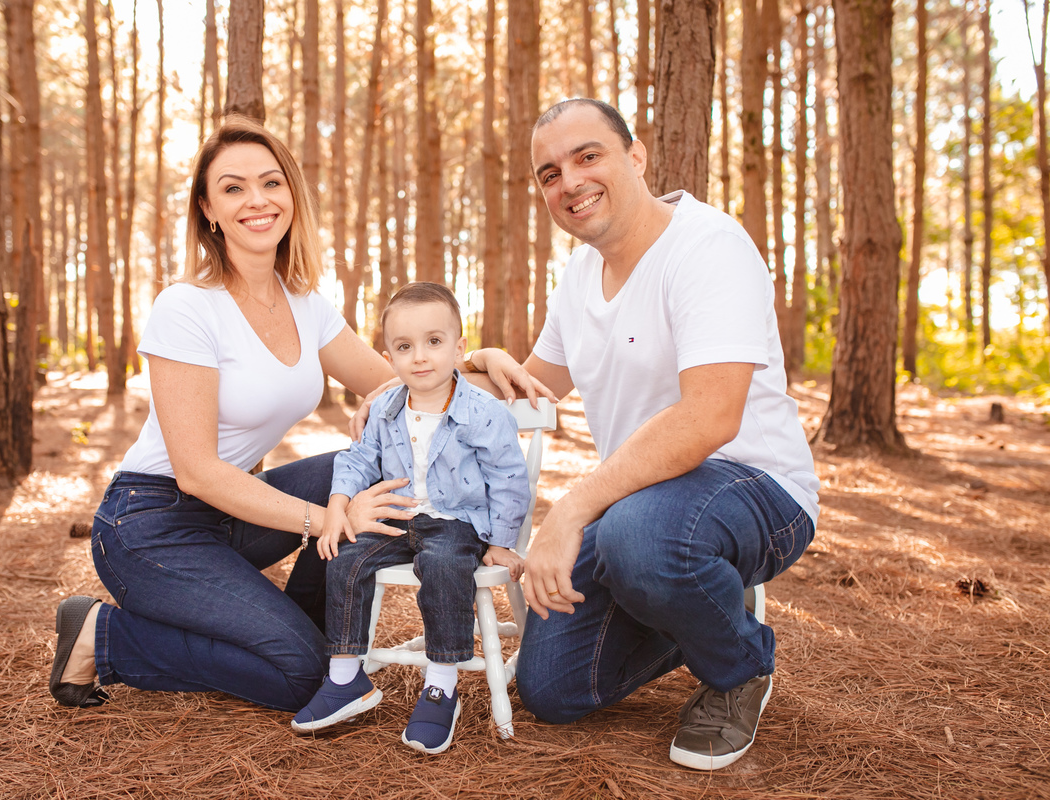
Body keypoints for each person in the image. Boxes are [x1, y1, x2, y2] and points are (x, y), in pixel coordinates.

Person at [470, 99, 820, 770]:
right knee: (555, 688)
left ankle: (741, 665)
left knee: (639, 539)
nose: (568, 182)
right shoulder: (577, 278)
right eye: (549, 173)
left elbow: (709, 418)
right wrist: (457, 369)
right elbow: (534, 384)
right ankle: (703, 597)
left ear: (636, 156)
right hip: (645, 506)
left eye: (587, 156)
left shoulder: (707, 247)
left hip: (754, 486)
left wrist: (571, 510)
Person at [48, 117, 407, 712]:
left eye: (271, 182)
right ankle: (102, 636)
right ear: (209, 209)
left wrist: (481, 359)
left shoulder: (306, 306)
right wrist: (328, 521)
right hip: (149, 525)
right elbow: (196, 472)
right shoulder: (187, 307)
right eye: (234, 188)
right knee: (303, 677)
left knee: (361, 467)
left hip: (229, 518)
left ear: (291, 194)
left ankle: (307, 633)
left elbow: (405, 379)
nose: (257, 200)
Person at [290, 282, 531, 755]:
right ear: (390, 357)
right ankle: (345, 678)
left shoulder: (482, 412)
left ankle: (441, 685)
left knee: (442, 565)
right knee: (345, 558)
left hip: (457, 521)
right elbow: (359, 460)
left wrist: (503, 541)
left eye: (434, 342)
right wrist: (339, 502)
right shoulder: (385, 408)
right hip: (398, 516)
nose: (420, 357)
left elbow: (508, 477)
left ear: (460, 348)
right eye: (404, 347)